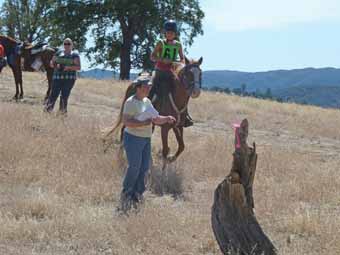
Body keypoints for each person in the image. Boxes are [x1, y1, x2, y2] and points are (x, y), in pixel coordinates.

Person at [116, 75, 176, 213]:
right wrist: (143, 122)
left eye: (149, 86)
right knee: (134, 167)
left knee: (144, 168)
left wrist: (166, 118)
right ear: (138, 88)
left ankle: (138, 193)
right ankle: (127, 193)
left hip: (145, 139)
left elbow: (155, 118)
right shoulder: (130, 102)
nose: (149, 88)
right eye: (146, 86)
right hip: (133, 138)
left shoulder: (147, 101)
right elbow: (126, 122)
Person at [150, 19, 194, 127]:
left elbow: (182, 59)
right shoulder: (160, 43)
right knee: (153, 88)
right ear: (165, 33)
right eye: (168, 32)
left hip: (170, 72)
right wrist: (161, 59)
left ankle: (185, 114)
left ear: (175, 34)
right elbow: (152, 56)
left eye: (172, 33)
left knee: (182, 91)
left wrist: (175, 62)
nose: (170, 34)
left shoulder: (178, 45)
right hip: (159, 72)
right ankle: (148, 108)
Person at [44, 38, 81, 115]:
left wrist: (69, 67)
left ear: (72, 45)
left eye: (68, 44)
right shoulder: (58, 53)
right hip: (57, 78)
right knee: (53, 95)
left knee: (64, 96)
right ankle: (47, 111)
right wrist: (55, 64)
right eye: (65, 44)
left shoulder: (75, 54)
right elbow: (51, 64)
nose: (66, 45)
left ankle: (62, 113)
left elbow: (78, 67)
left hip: (69, 79)